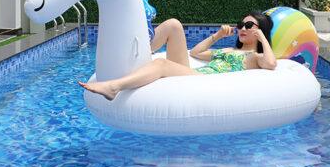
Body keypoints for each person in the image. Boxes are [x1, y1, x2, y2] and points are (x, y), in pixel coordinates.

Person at [79, 11, 277, 100]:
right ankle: (135, 56)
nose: (243, 28)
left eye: (249, 25)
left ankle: (114, 87)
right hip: (196, 74)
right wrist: (217, 36)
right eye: (241, 25)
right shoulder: (229, 51)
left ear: (259, 30)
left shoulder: (254, 57)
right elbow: (196, 52)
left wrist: (262, 37)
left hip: (206, 81)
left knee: (162, 63)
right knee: (173, 24)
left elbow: (270, 64)